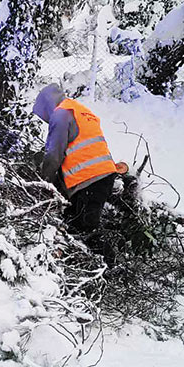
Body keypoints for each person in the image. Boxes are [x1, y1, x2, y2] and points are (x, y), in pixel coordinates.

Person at [32, 84, 124, 258]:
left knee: (87, 229)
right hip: (101, 175)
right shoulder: (79, 110)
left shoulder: (60, 114)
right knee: (74, 223)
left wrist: (44, 183)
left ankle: (113, 266)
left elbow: (53, 155)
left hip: (89, 179)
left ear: (47, 105)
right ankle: (85, 262)